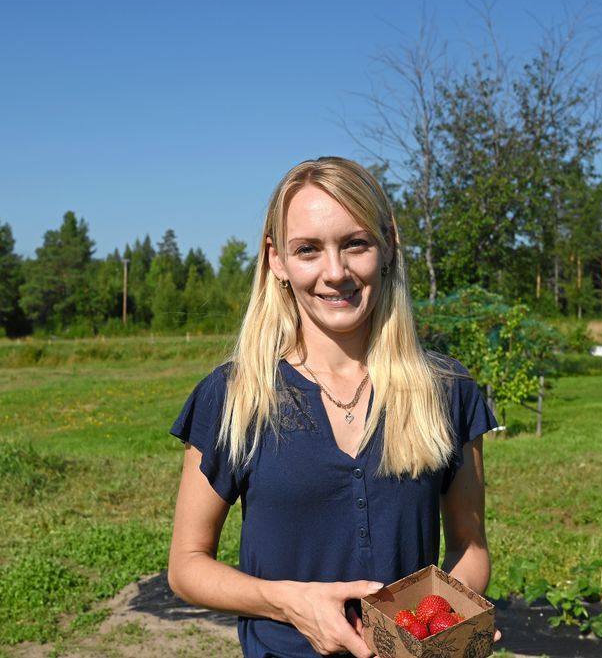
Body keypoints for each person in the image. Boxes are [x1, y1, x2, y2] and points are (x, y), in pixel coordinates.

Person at [167, 157, 498, 657]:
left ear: (388, 246)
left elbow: (469, 546)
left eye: (355, 243)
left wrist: (442, 629)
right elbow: (187, 565)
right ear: (277, 260)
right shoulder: (236, 395)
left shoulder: (446, 391)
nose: (336, 272)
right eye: (308, 250)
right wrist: (290, 603)